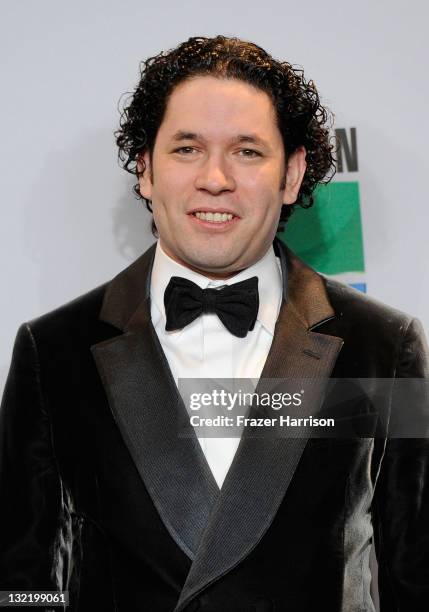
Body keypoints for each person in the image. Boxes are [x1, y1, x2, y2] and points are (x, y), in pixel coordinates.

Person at [0, 35, 428, 612]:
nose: (216, 179)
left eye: (248, 151)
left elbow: (416, 575)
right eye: (186, 149)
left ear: (293, 174)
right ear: (145, 168)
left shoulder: (384, 346)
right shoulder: (55, 349)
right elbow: (22, 577)